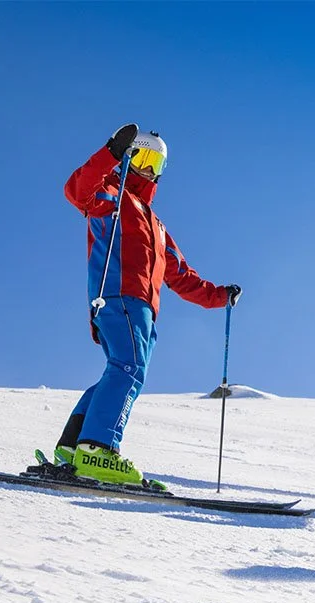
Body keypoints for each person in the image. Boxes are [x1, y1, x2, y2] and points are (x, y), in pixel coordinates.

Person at [54, 123, 241, 486]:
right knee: (128, 368)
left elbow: (181, 276)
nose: (149, 170)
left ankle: (74, 447)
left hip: (142, 308)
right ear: (128, 156)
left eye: (158, 163)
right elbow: (77, 191)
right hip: (119, 295)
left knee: (119, 370)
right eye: (143, 157)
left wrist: (220, 296)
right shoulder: (111, 194)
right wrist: (109, 153)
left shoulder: (156, 225)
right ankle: (98, 450)